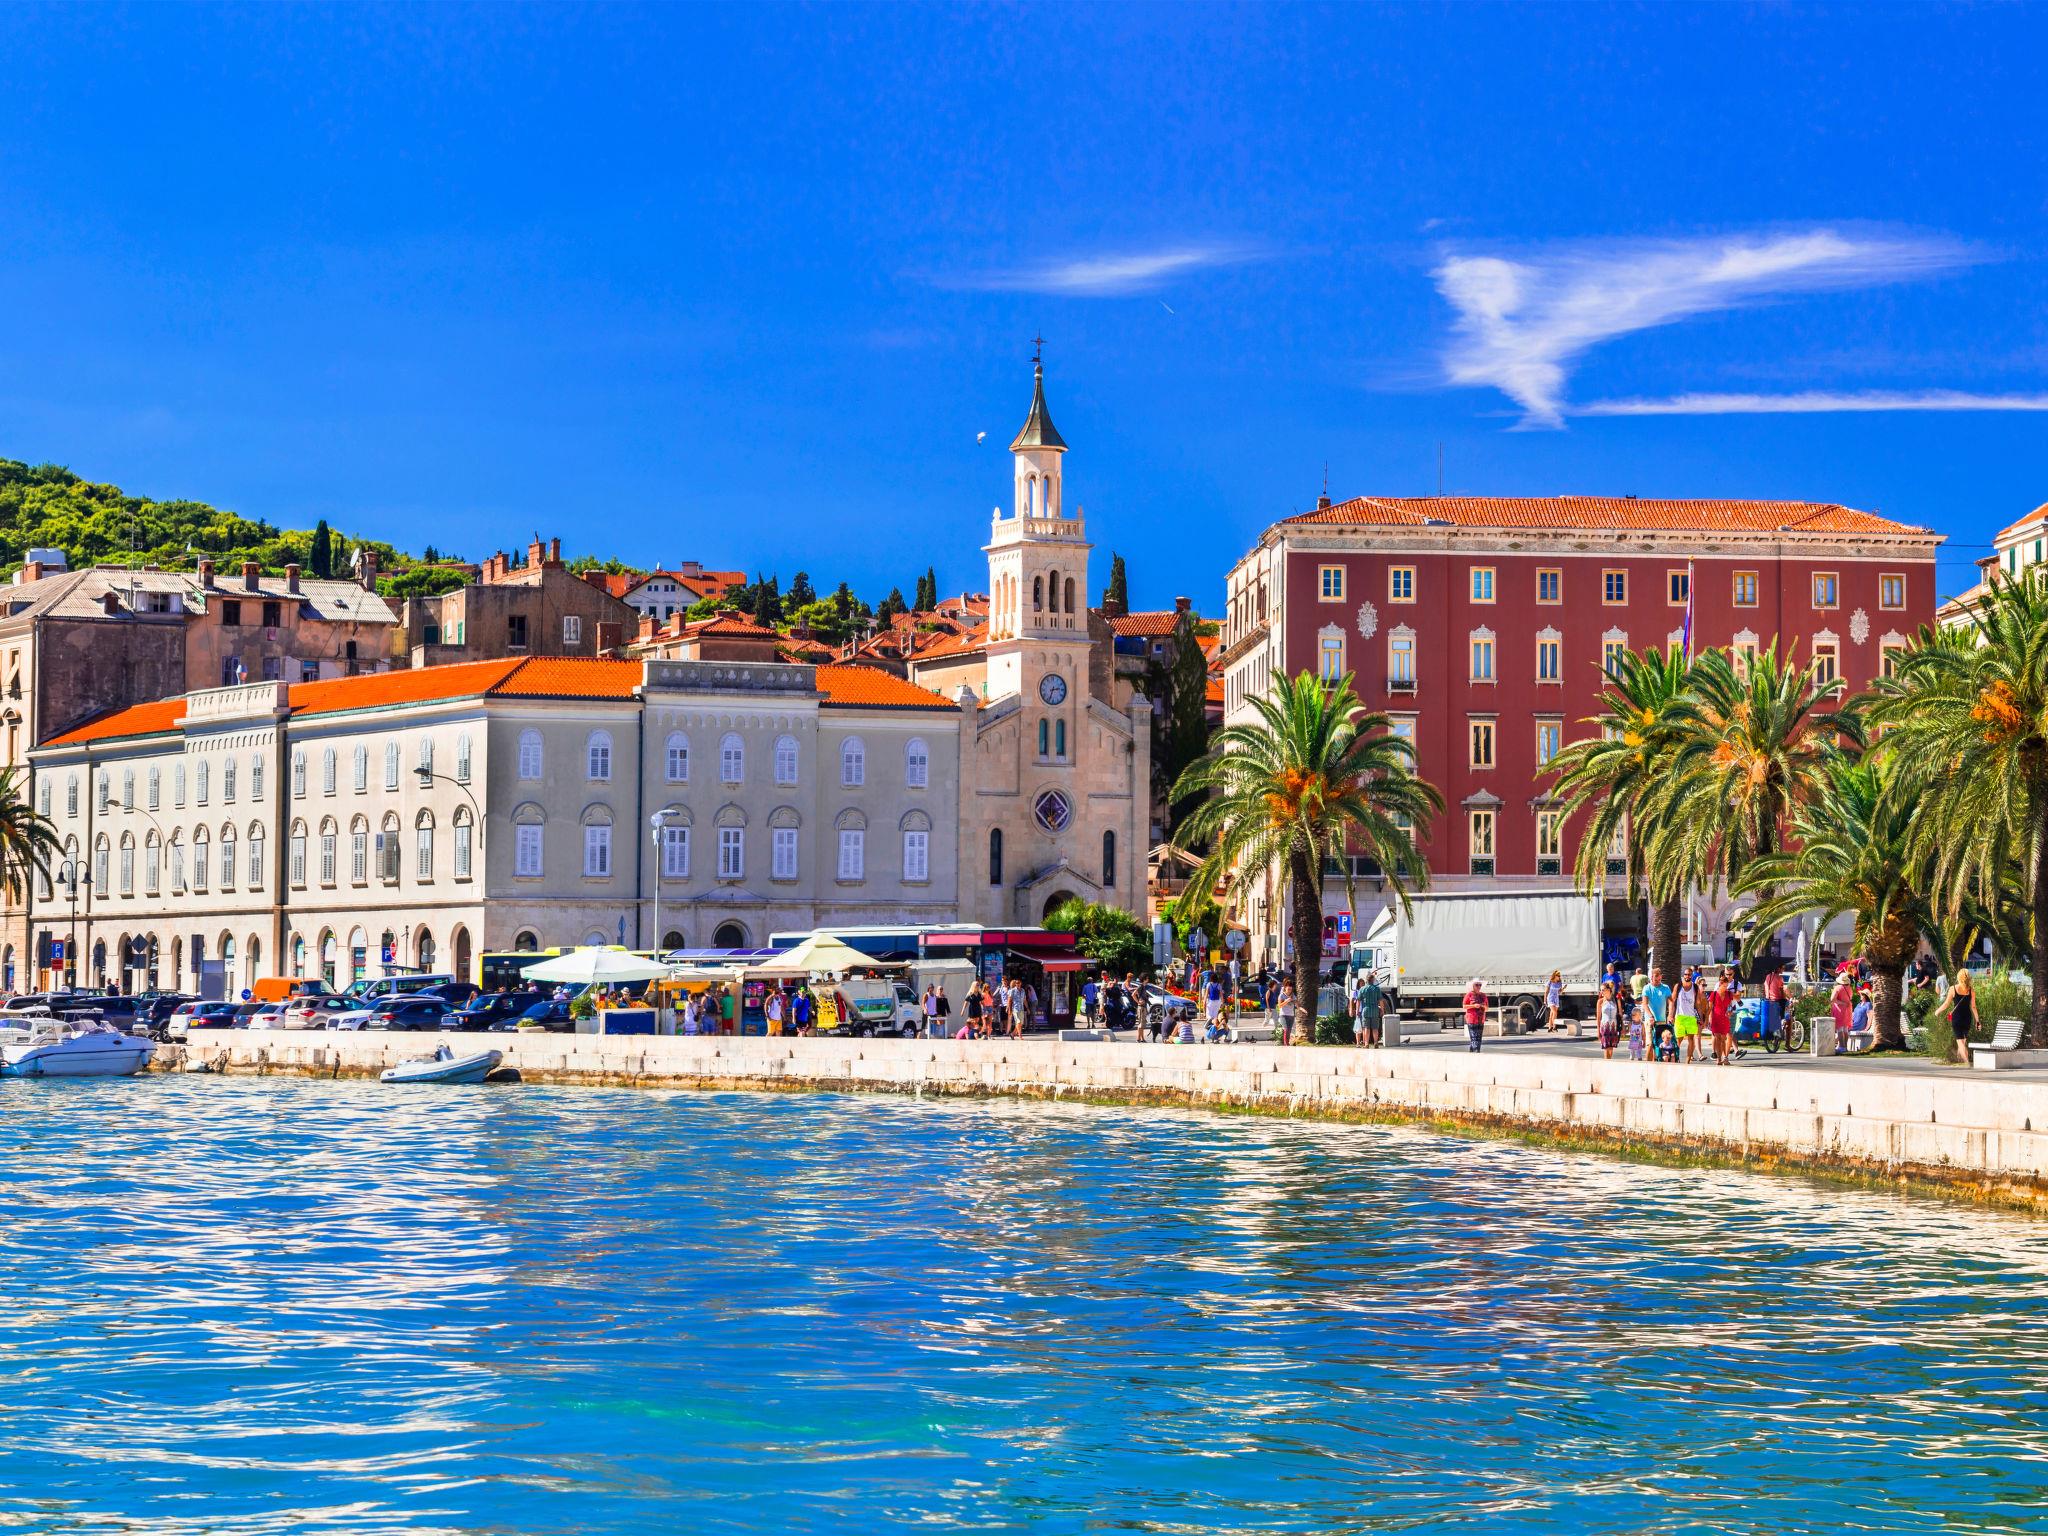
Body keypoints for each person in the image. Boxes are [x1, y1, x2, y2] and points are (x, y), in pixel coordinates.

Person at [1945, 970, 1977, 1065]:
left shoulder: (1953, 988)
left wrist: (1937, 1011)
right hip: (1967, 1018)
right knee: (1963, 1042)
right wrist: (1977, 1020)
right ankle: (1960, 1059)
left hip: (1957, 1018)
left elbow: (1946, 1003)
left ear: (1959, 977)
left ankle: (1967, 1063)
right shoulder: (1971, 990)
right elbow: (1973, 1007)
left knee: (1960, 1042)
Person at [1672, 968, 1702, 1064]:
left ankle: (1687, 1061)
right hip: (1680, 1016)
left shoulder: (1695, 987)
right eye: (1685, 974)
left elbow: (1698, 1003)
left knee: (1691, 1039)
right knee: (1678, 1039)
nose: (1687, 976)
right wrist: (1670, 1015)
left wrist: (1701, 1018)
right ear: (1683, 975)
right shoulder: (1678, 986)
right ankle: (1676, 1059)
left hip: (1691, 1017)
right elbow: (1672, 1001)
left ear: (1692, 975)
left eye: (1689, 974)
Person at [1707, 968, 1737, 1065]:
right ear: (1720, 984)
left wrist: (1730, 1012)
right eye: (1724, 986)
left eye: (1727, 986)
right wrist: (1708, 1019)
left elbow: (1732, 1006)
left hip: (1725, 1019)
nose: (1726, 988)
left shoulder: (1729, 994)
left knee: (1723, 1039)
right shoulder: (1714, 994)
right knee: (1717, 1039)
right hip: (1715, 1019)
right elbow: (1709, 1008)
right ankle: (1719, 1059)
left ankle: (1725, 1058)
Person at [1828, 971, 1855, 1055]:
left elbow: (1832, 999)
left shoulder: (1838, 988)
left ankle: (1841, 1047)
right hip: (1848, 1008)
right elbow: (1850, 998)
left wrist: (1841, 1003)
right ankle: (1845, 1046)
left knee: (1839, 1028)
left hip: (1839, 1009)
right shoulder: (1849, 988)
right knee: (1845, 1028)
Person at [1356, 971, 1384, 1049]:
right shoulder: (1377, 989)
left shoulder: (1362, 989)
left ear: (1366, 980)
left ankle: (1366, 1044)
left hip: (1366, 1010)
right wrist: (1382, 1010)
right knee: (1375, 1028)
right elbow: (1381, 1001)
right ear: (1373, 980)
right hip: (1375, 1010)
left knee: (1366, 1028)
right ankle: (1376, 1043)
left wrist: (1357, 1011)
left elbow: (1358, 1001)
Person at [1596, 980, 1621, 1059]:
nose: (1601, 992)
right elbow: (1598, 1017)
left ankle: (1609, 1062)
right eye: (1601, 990)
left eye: (1603, 990)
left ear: (1608, 990)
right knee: (1606, 1047)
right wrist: (1598, 1030)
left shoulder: (1616, 1000)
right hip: (1604, 1027)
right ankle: (1607, 1063)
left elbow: (1620, 1014)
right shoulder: (1600, 1001)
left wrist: (1622, 1027)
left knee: (1611, 1048)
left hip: (1613, 1027)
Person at [1463, 976, 1488, 1053]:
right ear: (1473, 986)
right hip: (1472, 1019)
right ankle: (1476, 1052)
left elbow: (1487, 1008)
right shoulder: (1469, 995)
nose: (1478, 987)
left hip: (1480, 1019)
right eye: (1477, 985)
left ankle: (1474, 1051)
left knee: (1479, 1037)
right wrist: (1474, 1006)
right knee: (1474, 1037)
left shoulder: (1483, 995)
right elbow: (1464, 1006)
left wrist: (1483, 1006)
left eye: (1480, 985)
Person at [1625, 992, 1648, 1062]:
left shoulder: (1641, 1024)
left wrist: (1644, 1041)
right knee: (1632, 1052)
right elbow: (1628, 1031)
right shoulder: (1631, 1023)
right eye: (1632, 1015)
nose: (1632, 1016)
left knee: (1639, 1052)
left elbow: (1643, 1034)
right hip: (1632, 1040)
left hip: (1639, 1041)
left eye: (1634, 1015)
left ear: (1639, 1016)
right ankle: (1631, 1058)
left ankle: (1639, 1058)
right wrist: (1624, 1032)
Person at [1276, 977, 1297, 1046]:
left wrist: (1302, 1009)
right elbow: (1279, 1005)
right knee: (1286, 1029)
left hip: (1291, 1015)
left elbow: (1297, 1004)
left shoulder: (1293, 995)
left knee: (1289, 1030)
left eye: (1291, 989)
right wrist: (1286, 1001)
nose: (1289, 990)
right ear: (1285, 987)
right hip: (1283, 1015)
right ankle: (1286, 1044)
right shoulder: (1281, 995)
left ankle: (1286, 1043)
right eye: (1288, 988)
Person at [1545, 969, 1565, 1033]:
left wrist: (1563, 988)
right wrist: (1545, 1001)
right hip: (1550, 998)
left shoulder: (1559, 983)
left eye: (1559, 976)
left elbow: (1559, 992)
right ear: (1555, 976)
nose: (1559, 977)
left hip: (1556, 998)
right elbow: (1546, 992)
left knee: (1552, 1014)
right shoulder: (1550, 982)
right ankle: (1554, 1027)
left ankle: (1549, 1028)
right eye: (1558, 975)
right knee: (1554, 1012)